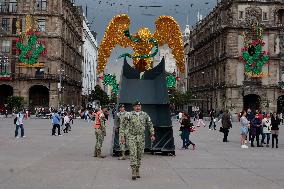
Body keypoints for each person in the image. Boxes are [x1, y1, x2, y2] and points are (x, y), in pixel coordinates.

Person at [120, 101, 155, 180]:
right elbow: (123, 125)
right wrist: (122, 136)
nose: (138, 107)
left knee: (140, 154)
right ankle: (133, 171)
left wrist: (152, 134)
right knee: (133, 153)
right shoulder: (129, 115)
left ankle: (137, 169)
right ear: (133, 107)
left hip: (141, 137)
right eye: (136, 106)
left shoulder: (145, 115)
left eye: (139, 106)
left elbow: (150, 124)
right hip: (132, 137)